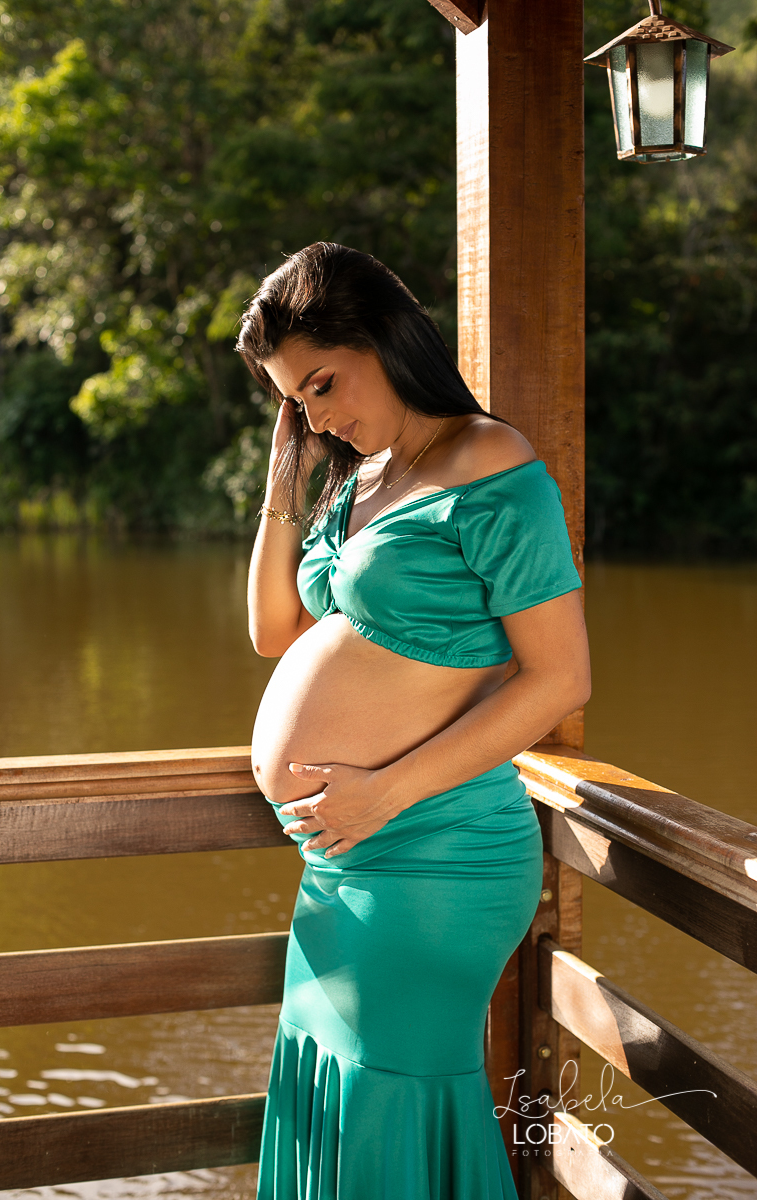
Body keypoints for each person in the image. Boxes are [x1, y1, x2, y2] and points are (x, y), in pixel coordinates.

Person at [237, 242, 590, 1200]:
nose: (316, 413)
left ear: (385, 339)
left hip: (434, 852)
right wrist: (289, 466)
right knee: (339, 1101)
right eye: (293, 399)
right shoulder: (365, 475)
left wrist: (383, 792)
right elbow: (274, 629)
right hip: (344, 857)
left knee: (387, 1111)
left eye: (322, 383)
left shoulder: (491, 464)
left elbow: (561, 679)